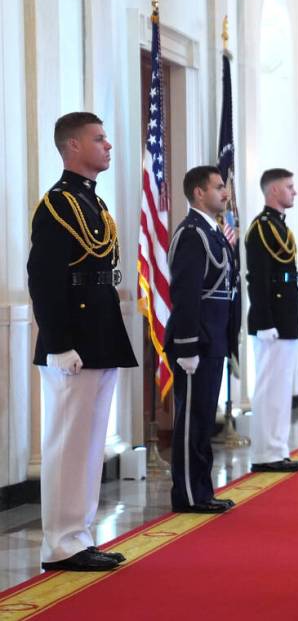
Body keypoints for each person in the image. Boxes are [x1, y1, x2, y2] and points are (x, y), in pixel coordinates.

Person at [27, 112, 137, 571]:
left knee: (90, 444)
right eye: (99, 138)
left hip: (100, 332)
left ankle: (79, 536)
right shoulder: (56, 205)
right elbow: (44, 279)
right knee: (68, 443)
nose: (108, 145)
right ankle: (60, 544)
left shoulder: (94, 203)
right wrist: (58, 342)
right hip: (72, 338)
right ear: (73, 146)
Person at [164, 165, 241, 514]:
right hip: (196, 343)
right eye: (219, 187)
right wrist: (188, 346)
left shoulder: (213, 234)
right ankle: (189, 495)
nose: (225, 193)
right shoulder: (192, 234)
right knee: (191, 422)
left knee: (203, 421)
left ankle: (202, 490)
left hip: (214, 341)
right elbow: (186, 294)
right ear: (199, 192)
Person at [245, 168, 298, 473]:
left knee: (281, 387)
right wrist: (264, 320)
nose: (294, 192)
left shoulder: (280, 227)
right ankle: (264, 453)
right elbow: (257, 279)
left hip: (286, 315)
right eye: (289, 187)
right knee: (269, 387)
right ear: (273, 192)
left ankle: (278, 449)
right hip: (271, 320)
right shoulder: (260, 229)